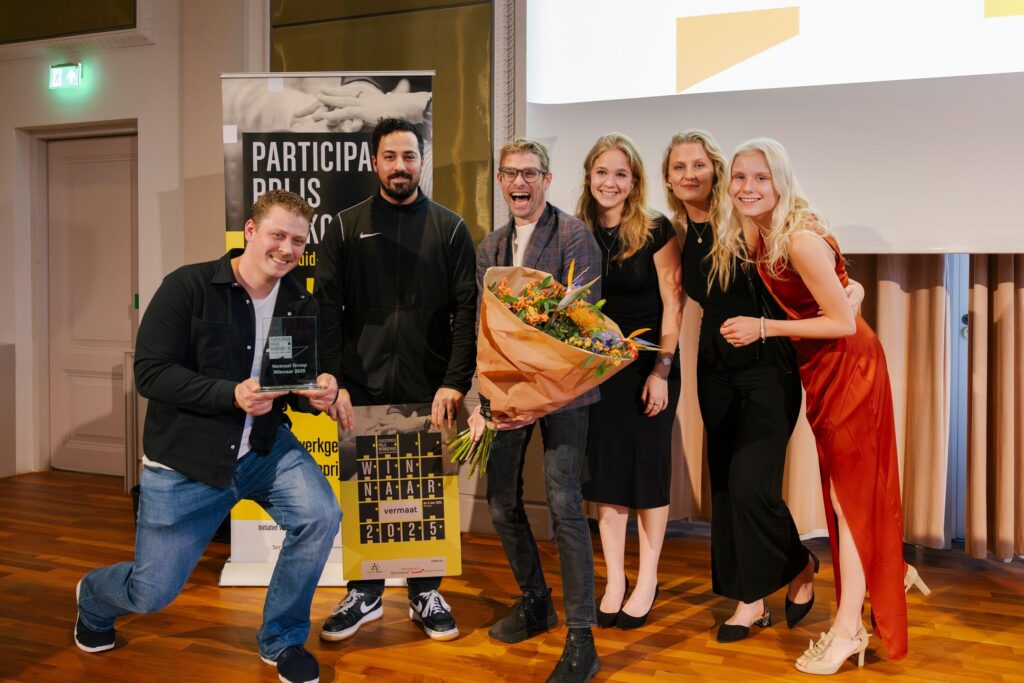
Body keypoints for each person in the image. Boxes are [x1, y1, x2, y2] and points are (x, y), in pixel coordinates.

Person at [74, 190, 341, 683]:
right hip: (186, 463)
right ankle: (93, 596)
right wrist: (230, 394)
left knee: (320, 515)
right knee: (150, 594)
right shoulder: (187, 286)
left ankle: (282, 639)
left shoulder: (300, 300)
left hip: (264, 449)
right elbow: (150, 373)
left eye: (298, 241)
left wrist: (317, 393)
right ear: (251, 231)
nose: (287, 249)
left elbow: (291, 384)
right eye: (278, 235)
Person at [717, 138, 908, 674]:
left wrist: (763, 327)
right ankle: (871, 596)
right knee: (844, 497)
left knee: (850, 501)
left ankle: (848, 630)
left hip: (849, 368)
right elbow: (848, 290)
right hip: (823, 368)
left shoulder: (796, 238)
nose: (748, 187)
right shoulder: (763, 232)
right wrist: (852, 293)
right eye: (739, 177)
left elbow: (843, 322)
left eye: (761, 177)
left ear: (780, 182)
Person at [663, 129, 830, 644]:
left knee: (751, 486)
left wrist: (853, 288)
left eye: (698, 164)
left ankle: (798, 562)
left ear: (716, 170)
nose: (689, 174)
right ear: (668, 178)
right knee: (725, 489)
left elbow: (816, 263)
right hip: (713, 370)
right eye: (678, 167)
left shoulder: (745, 217)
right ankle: (750, 598)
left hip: (767, 368)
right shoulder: (678, 231)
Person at [314, 116, 476, 643]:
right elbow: (326, 310)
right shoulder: (344, 226)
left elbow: (466, 310)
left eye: (409, 156)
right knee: (365, 489)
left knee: (426, 490)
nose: (400, 166)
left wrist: (455, 380)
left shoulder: (451, 228)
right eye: (390, 157)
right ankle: (364, 594)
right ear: (374, 162)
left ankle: (425, 592)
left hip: (431, 387)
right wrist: (334, 379)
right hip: (360, 386)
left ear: (422, 161)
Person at [470, 138, 602, 683]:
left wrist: (538, 399)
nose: (519, 182)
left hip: (565, 393)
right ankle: (535, 601)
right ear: (500, 181)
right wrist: (488, 402)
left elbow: (584, 327)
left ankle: (582, 639)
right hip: (508, 397)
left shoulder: (574, 235)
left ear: (547, 179)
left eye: (529, 173)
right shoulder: (490, 247)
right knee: (502, 502)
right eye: (510, 173)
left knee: (565, 505)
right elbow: (486, 331)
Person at [575, 133, 682, 630]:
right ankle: (615, 579)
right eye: (602, 172)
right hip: (600, 371)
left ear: (634, 181)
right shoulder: (577, 231)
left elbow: (673, 305)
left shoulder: (656, 229)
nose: (610, 182)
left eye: (621, 174)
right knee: (608, 474)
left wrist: (662, 370)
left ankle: (648, 578)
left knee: (647, 473)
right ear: (589, 177)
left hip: (648, 368)